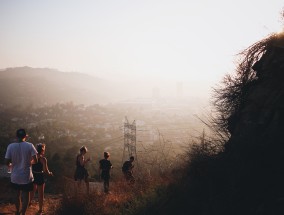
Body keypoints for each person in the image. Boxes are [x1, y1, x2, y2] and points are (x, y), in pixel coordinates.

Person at [5, 128, 38, 215]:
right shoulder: (30, 145)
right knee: (25, 195)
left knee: (16, 195)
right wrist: (29, 162)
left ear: (16, 136)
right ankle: (23, 213)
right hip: (26, 176)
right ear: (25, 136)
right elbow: (36, 160)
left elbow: (7, 161)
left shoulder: (11, 146)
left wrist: (11, 165)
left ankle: (17, 211)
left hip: (15, 176)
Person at [30, 143, 53, 214]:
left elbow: (29, 166)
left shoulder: (32, 157)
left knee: (32, 191)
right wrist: (50, 173)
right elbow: (45, 170)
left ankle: (29, 203)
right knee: (41, 194)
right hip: (40, 176)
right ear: (43, 150)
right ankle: (40, 209)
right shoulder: (43, 159)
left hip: (33, 175)